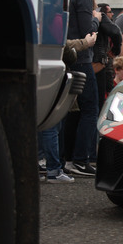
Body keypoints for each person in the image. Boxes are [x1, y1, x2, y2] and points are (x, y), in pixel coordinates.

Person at [39, 32, 97, 183]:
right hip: (51, 78)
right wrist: (84, 42)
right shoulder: (50, 30)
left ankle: (41, 165)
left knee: (42, 124)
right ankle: (53, 170)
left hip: (40, 77)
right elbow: (66, 49)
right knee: (51, 125)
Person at [65, 0, 100, 177]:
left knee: (65, 110)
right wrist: (97, 18)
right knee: (90, 108)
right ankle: (80, 159)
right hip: (82, 58)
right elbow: (89, 30)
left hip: (61, 55)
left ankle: (64, 158)